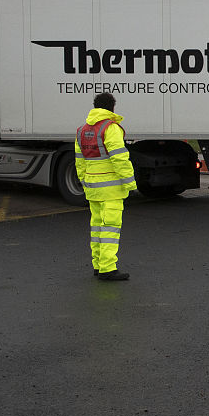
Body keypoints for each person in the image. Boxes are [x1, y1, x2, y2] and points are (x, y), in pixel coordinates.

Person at [75, 92, 136, 281]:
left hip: (93, 188)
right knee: (110, 228)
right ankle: (108, 268)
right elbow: (119, 158)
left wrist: (85, 182)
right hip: (111, 190)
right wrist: (130, 183)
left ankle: (98, 264)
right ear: (112, 108)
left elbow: (80, 162)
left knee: (96, 227)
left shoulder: (82, 130)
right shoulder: (110, 128)